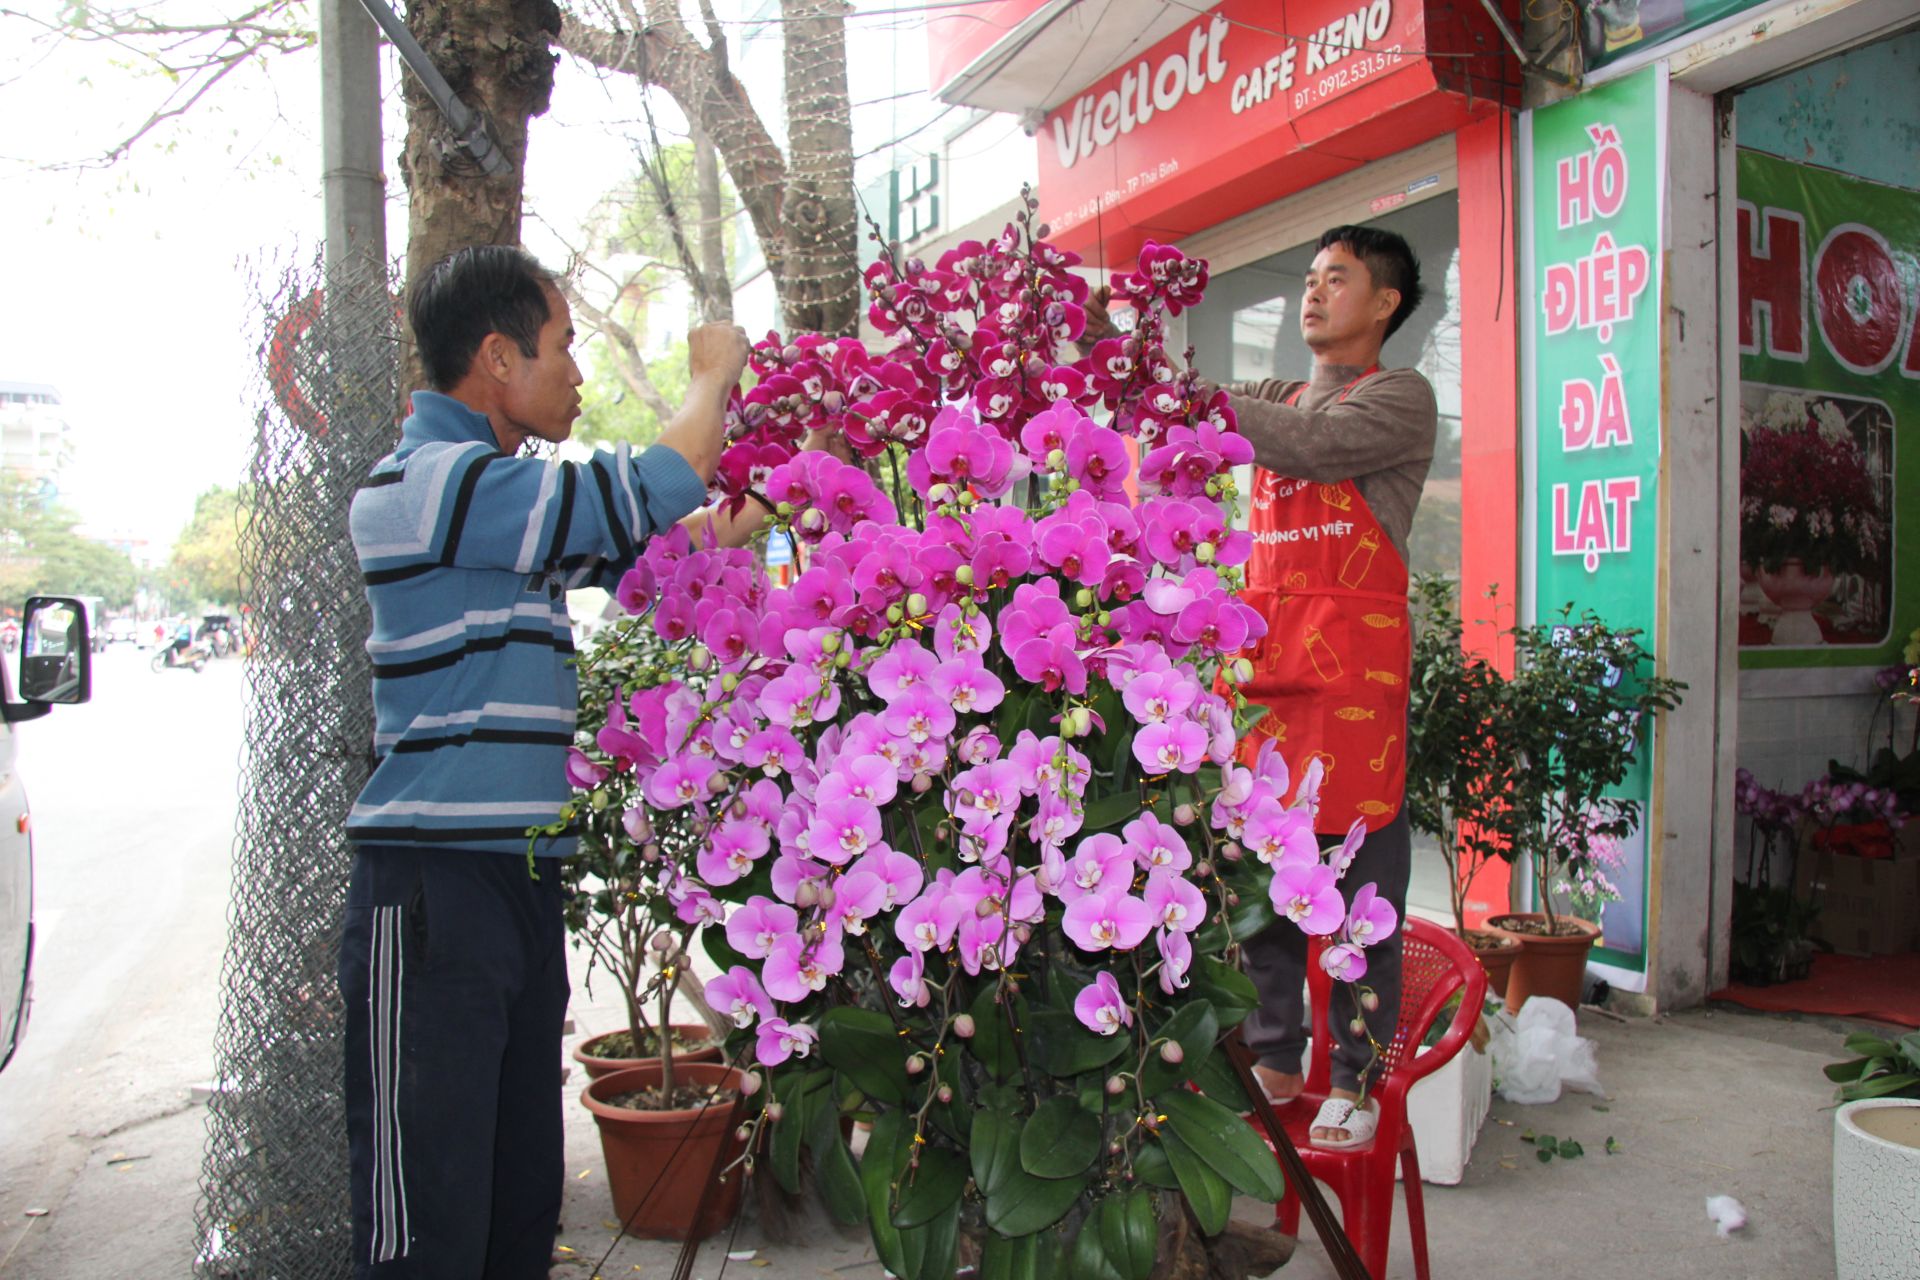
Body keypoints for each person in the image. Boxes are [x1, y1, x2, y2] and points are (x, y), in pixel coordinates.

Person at [340, 244, 753, 1278]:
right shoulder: (424, 485)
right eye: (563, 347)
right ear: (495, 356)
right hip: (430, 895)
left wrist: (801, 476)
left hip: (516, 881)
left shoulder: (501, 508)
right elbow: (635, 492)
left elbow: (660, 557)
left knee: (515, 1202)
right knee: (427, 1227)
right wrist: (709, 378)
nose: (575, 372)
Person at [1091, 224, 1435, 1147]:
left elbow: (1312, 447)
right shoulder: (1274, 395)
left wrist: (1198, 402)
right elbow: (1212, 418)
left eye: (1338, 279)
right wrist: (1125, 365)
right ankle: (1277, 1058)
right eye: (1310, 278)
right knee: (1267, 880)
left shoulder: (1399, 398)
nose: (1313, 294)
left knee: (1363, 888)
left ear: (1386, 303)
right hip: (1270, 671)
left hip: (1356, 682)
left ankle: (1358, 1079)